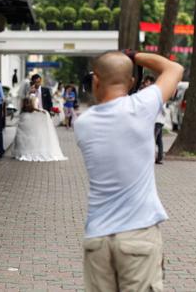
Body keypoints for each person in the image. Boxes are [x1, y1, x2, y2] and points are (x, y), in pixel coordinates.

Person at [74, 51, 183, 291]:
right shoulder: (141, 107)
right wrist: (134, 55)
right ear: (132, 82)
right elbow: (173, 69)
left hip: (97, 238)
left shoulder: (82, 123)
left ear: (96, 81)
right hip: (138, 234)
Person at [13, 92, 67, 162]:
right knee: (29, 135)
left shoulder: (27, 99)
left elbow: (26, 108)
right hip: (28, 117)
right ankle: (29, 151)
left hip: (25, 116)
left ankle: (24, 151)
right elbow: (34, 108)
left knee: (26, 136)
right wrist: (40, 111)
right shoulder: (33, 99)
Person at [142, 75, 166, 164]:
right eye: (145, 82)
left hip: (157, 120)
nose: (145, 84)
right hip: (158, 120)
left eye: (147, 82)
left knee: (153, 139)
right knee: (159, 140)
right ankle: (159, 158)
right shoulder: (153, 92)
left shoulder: (156, 93)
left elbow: (161, 106)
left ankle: (151, 158)